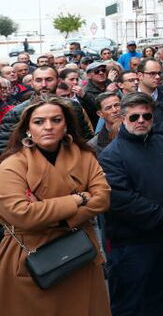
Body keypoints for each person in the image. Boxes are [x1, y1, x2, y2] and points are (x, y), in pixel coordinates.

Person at [0, 96, 111, 316]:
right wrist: (79, 198)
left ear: (66, 125)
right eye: (39, 122)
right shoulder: (11, 165)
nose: (48, 127)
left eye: (56, 120)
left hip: (80, 253)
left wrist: (54, 216)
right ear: (27, 129)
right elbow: (22, 215)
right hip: (31, 258)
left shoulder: (86, 156)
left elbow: (103, 198)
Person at [99, 92, 163, 314]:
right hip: (131, 243)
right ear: (123, 118)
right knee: (130, 303)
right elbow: (121, 199)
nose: (141, 121)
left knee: (157, 296)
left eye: (146, 116)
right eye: (134, 117)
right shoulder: (111, 155)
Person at [0, 65, 95, 150]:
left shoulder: (72, 107)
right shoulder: (18, 112)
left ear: (58, 82)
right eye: (38, 80)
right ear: (32, 83)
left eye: (49, 80)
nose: (44, 85)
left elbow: (84, 138)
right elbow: (5, 146)